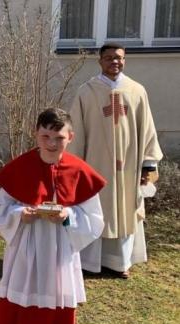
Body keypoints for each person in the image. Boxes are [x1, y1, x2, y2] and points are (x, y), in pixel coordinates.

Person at [0, 108, 106, 324]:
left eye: (59, 137)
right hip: (25, 248)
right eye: (46, 136)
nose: (52, 143)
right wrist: (19, 213)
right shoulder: (21, 167)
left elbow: (94, 219)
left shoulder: (79, 171)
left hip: (58, 252)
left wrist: (68, 215)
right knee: (17, 304)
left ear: (71, 137)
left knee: (53, 310)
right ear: (36, 134)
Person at [68, 42, 163, 279]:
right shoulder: (86, 92)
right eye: (109, 57)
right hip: (95, 163)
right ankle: (90, 262)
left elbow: (148, 129)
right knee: (96, 207)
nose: (114, 62)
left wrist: (148, 164)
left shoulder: (137, 91)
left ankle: (120, 263)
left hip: (128, 167)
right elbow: (75, 131)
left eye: (119, 57)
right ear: (100, 61)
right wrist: (74, 166)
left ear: (125, 60)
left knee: (125, 208)